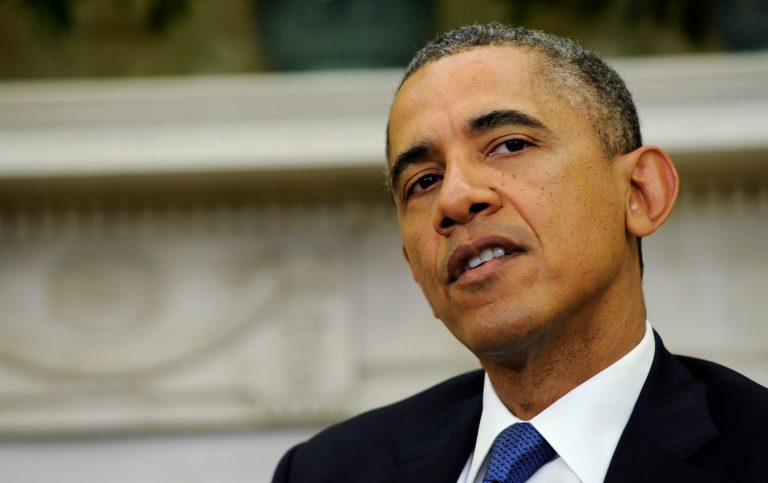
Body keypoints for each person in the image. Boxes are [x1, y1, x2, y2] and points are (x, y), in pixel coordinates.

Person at [272, 23, 768, 483]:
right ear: (415, 271)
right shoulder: (325, 471)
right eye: (423, 181)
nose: (455, 199)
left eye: (509, 145)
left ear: (640, 193)